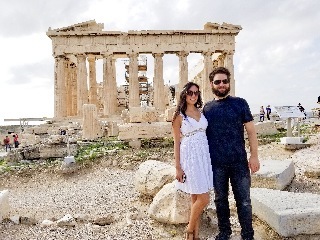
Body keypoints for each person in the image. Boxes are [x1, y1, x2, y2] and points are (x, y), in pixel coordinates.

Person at [203, 67, 260, 240]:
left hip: (239, 162)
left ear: (229, 83)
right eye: (218, 82)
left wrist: (254, 156)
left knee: (244, 201)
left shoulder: (240, 103)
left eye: (225, 81)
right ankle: (224, 232)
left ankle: (248, 234)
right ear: (211, 84)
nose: (222, 84)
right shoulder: (207, 108)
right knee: (220, 200)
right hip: (217, 163)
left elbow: (251, 132)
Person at [172, 82, 213, 240]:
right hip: (190, 157)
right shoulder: (179, 117)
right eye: (190, 92)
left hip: (204, 156)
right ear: (184, 94)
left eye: (196, 93)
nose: (193, 95)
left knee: (195, 198)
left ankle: (195, 236)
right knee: (204, 198)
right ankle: (189, 230)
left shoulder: (201, 112)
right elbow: (176, 143)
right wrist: (178, 167)